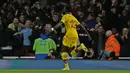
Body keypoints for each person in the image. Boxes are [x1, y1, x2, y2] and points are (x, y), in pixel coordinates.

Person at [52, 5, 91, 70]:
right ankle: (80, 47)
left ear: (65, 10)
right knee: (70, 54)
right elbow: (82, 27)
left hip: (69, 35)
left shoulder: (65, 16)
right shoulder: (74, 18)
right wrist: (88, 35)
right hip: (75, 35)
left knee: (63, 52)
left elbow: (60, 24)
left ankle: (67, 66)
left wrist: (53, 29)